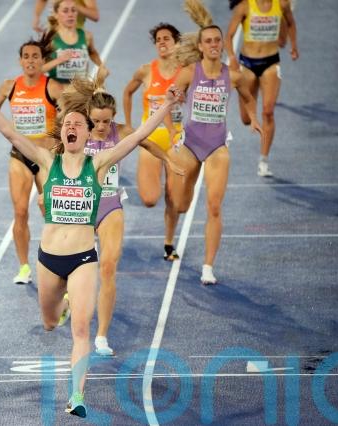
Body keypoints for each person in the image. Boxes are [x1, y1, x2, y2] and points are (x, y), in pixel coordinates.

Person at [0, 75, 179, 417]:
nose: (71, 127)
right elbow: (9, 132)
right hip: (49, 260)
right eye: (67, 123)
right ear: (63, 132)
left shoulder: (98, 164)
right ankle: (61, 307)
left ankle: (77, 395)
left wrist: (168, 104)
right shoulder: (47, 160)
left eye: (78, 124)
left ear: (86, 134)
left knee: (81, 330)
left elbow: (138, 135)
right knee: (50, 322)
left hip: (83, 259)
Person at [66, 73, 184, 357]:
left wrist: (168, 159)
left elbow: (147, 140)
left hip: (110, 204)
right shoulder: (76, 132)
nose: (101, 127)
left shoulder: (121, 132)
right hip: (80, 207)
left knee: (108, 268)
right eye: (96, 121)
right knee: (75, 269)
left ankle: (101, 336)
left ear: (113, 118)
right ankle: (67, 297)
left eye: (106, 121)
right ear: (88, 117)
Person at [167, 23, 262, 285]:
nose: (213, 45)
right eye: (208, 41)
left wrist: (253, 118)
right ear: (200, 46)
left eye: (217, 40)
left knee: (214, 206)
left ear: (222, 45)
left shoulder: (233, 76)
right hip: (190, 145)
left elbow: (248, 97)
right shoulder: (189, 73)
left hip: (217, 146)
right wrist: (173, 129)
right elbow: (170, 101)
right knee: (181, 204)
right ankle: (180, 206)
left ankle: (208, 267)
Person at [0, 38, 64, 284]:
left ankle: (60, 261)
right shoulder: (9, 86)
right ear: (20, 61)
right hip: (20, 156)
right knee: (20, 211)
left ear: (43, 61)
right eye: (26, 56)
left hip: (45, 158)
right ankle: (24, 267)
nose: (30, 60)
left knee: (51, 212)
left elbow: (69, 117)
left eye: (35, 56)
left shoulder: (53, 87)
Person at [122, 22, 184, 262]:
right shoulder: (146, 71)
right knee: (149, 199)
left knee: (174, 199)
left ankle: (168, 244)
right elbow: (127, 92)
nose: (162, 42)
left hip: (176, 139)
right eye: (158, 39)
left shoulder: (186, 72)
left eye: (167, 38)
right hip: (150, 137)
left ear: (176, 42)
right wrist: (129, 125)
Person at [225, 0, 298, 177]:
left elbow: (291, 22)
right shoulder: (244, 7)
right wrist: (232, 57)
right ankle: (248, 101)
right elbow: (228, 36)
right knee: (246, 119)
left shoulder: (281, 4)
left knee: (268, 112)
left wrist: (293, 45)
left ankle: (263, 160)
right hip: (247, 64)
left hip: (271, 63)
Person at [41, 0, 103, 86]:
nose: (70, 14)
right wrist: (59, 60)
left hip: (79, 90)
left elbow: (92, 52)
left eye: (73, 10)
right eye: (65, 11)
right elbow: (38, 70)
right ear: (55, 14)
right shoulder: (50, 39)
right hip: (57, 91)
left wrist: (101, 66)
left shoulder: (86, 36)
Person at [32, 0, 99, 33]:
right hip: (53, 33)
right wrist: (36, 17)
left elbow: (95, 15)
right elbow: (42, 1)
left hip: (75, 35)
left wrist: (74, 6)